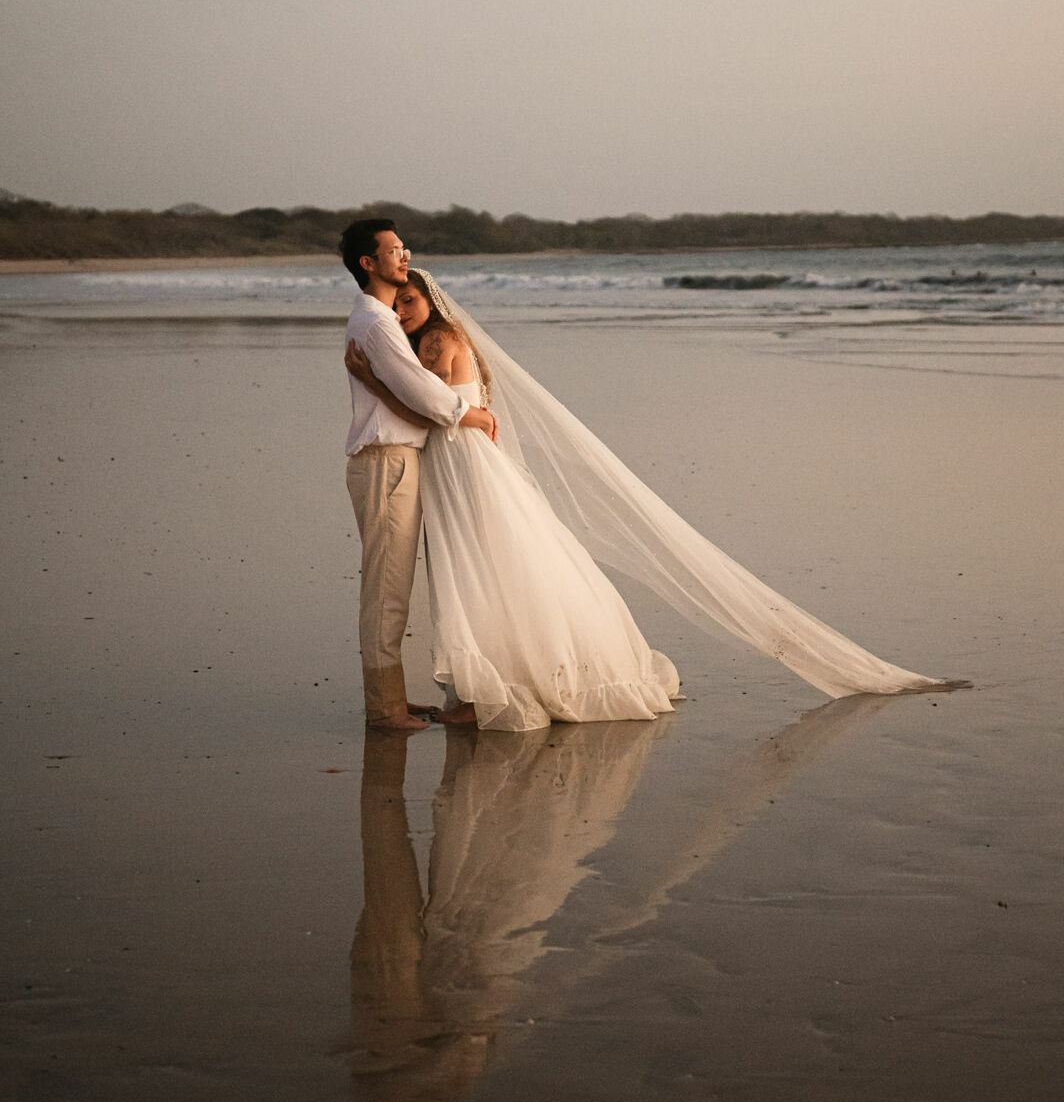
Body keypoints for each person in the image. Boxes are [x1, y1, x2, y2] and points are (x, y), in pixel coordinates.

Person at [346, 267, 961, 732]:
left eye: (410, 300)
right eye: (397, 302)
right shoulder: (441, 337)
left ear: (430, 299)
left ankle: (496, 685)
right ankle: (483, 685)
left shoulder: (434, 341)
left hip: (460, 462)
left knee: (482, 565)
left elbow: (433, 410)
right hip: (461, 459)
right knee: (487, 565)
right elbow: (453, 409)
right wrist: (466, 411)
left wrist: (375, 379)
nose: (402, 312)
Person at [339, 220, 497, 733]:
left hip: (395, 458)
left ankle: (394, 700)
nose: (404, 256)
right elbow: (419, 392)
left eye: (405, 249)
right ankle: (385, 708)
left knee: (393, 586)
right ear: (369, 263)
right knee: (387, 589)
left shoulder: (379, 319)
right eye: (394, 251)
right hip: (387, 458)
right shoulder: (378, 323)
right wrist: (468, 413)